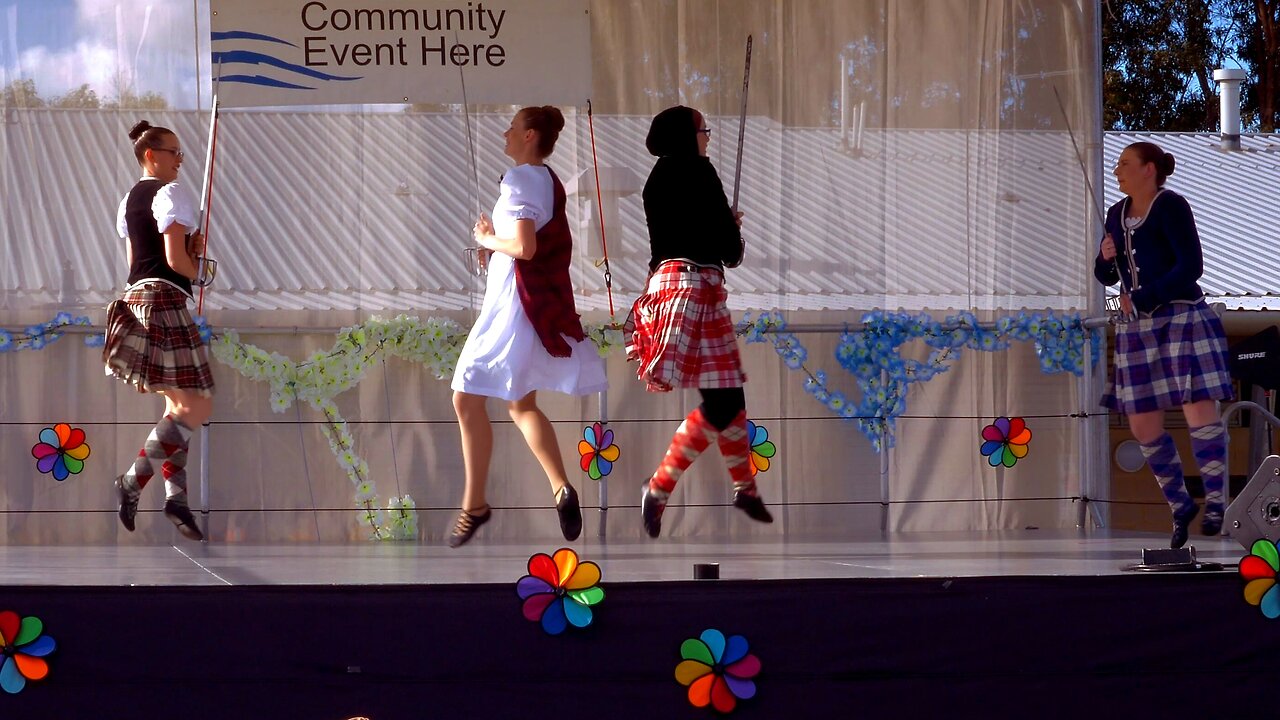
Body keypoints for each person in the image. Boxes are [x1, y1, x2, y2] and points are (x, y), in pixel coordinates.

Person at [447, 106, 608, 547]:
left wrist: (486, 240)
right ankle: (559, 486)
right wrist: (495, 247)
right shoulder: (545, 180)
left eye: (513, 127)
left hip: (512, 306)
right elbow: (523, 243)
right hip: (525, 301)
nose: (506, 133)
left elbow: (524, 246)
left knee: (465, 398)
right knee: (520, 404)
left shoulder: (519, 179)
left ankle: (475, 503)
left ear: (530, 135)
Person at [626, 105, 774, 539]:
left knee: (728, 394)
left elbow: (690, 230)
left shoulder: (656, 179)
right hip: (696, 287)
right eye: (703, 130)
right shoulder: (700, 170)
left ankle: (744, 488)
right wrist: (730, 227)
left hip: (669, 283)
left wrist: (719, 224)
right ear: (686, 135)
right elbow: (727, 251)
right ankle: (660, 485)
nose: (707, 137)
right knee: (725, 400)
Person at [1096, 141, 1233, 549]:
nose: (1117, 170)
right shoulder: (1115, 216)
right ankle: (1179, 506)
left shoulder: (1171, 206)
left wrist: (1142, 297)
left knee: (1198, 409)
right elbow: (1105, 276)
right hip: (1138, 329)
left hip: (1180, 317)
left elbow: (1191, 267)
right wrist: (1105, 259)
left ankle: (1216, 501)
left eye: (1125, 164)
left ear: (1149, 170)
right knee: (1141, 423)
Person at [103, 120, 212, 542]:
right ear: (152, 155)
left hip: (137, 301)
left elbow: (138, 262)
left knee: (178, 408)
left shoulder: (129, 199)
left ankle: (176, 498)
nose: (180, 162)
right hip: (164, 302)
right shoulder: (171, 193)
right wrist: (198, 269)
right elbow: (173, 262)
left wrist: (189, 249)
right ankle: (132, 482)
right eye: (174, 153)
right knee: (192, 407)